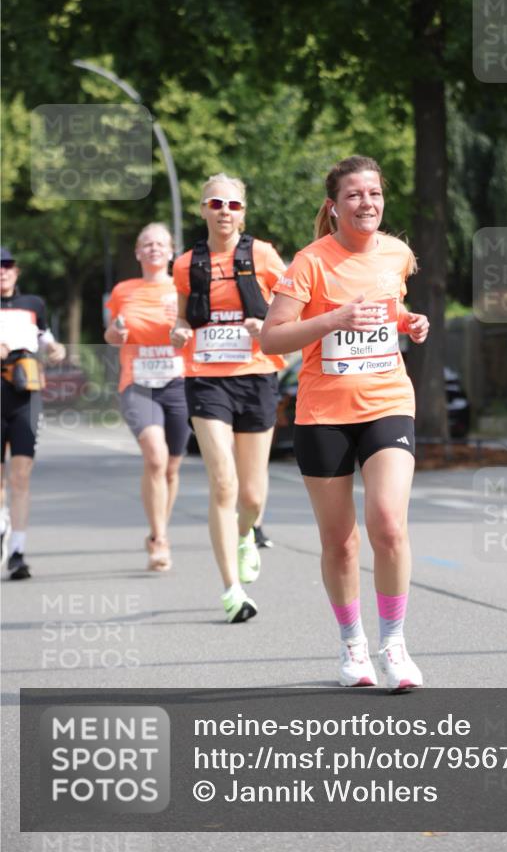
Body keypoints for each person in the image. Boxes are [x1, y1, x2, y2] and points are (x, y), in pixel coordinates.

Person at [260, 156, 429, 691]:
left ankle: (395, 645)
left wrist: (410, 321)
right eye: (355, 195)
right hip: (323, 414)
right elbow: (271, 338)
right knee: (340, 543)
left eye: (374, 193)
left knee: (388, 522)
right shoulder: (310, 262)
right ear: (334, 206)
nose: (367, 203)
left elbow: (390, 310)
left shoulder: (397, 254)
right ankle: (352, 644)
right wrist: (332, 318)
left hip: (387, 401)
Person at [170, 173, 286, 623]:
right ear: (202, 209)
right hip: (205, 378)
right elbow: (180, 321)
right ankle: (231, 590)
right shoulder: (186, 264)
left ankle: (246, 533)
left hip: (255, 375)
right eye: (216, 203)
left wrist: (268, 325)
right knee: (224, 483)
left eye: (233, 205)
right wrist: (179, 331)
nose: (224, 211)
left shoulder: (263, 255)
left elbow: (290, 304)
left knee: (252, 495)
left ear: (243, 212)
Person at [105, 223, 189, 572]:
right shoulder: (123, 290)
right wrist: (116, 332)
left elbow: (193, 330)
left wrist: (183, 333)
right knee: (155, 457)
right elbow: (110, 334)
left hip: (178, 382)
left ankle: (160, 530)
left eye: (161, 244)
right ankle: (160, 539)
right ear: (138, 252)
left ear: (171, 251)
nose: (154, 249)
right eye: (147, 244)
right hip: (137, 381)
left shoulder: (182, 288)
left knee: (171, 467)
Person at [0, 246, 66, 579]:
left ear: (16, 270)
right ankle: (2, 523)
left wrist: (56, 350)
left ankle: (18, 552)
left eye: (8, 265)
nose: (3, 271)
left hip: (25, 393)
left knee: (21, 475)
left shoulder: (33, 305)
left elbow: (48, 340)